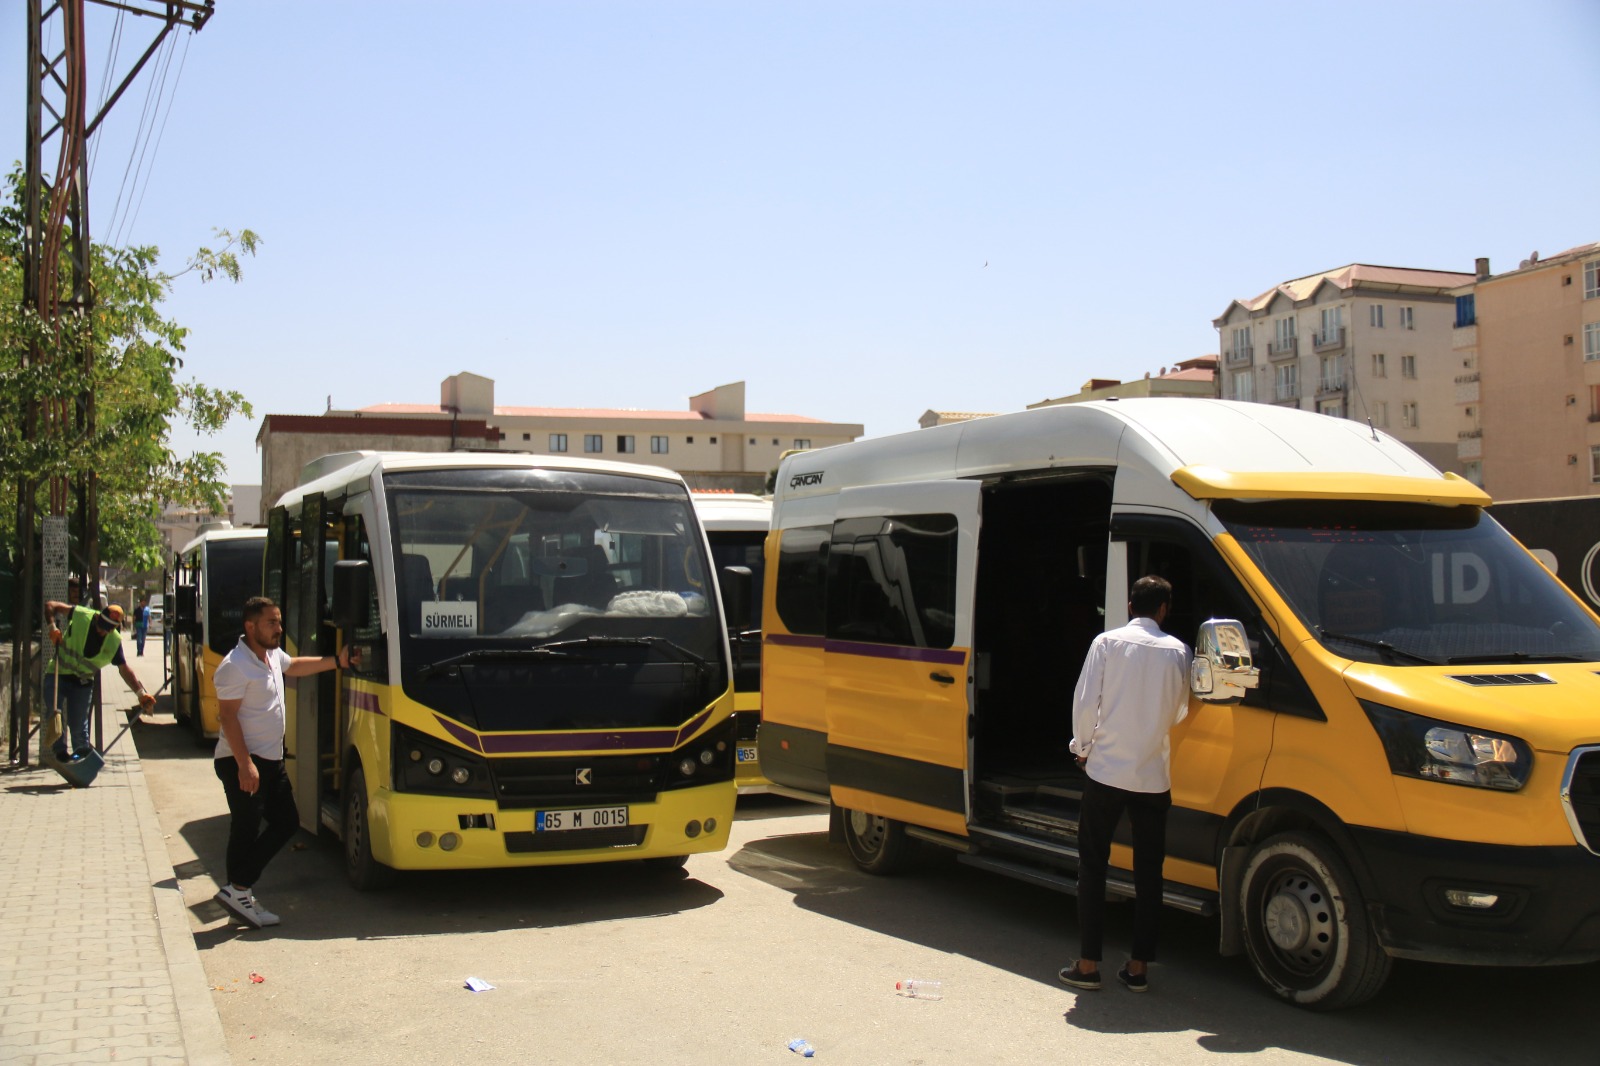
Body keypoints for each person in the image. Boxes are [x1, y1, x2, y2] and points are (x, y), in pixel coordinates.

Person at [1059, 575, 1190, 994]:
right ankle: (1137, 968)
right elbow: (1180, 711)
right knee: (1150, 872)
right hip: (1152, 775)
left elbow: (1085, 701)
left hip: (1106, 771)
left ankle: (1088, 964)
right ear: (1164, 609)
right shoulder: (1179, 652)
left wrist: (1082, 747)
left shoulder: (1106, 643)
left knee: (1093, 865)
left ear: (1131, 605)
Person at [212, 595, 357, 929]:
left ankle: (238, 888)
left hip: (270, 759)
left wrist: (337, 661)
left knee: (287, 822)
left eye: (279, 621)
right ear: (250, 626)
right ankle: (240, 889)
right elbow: (228, 718)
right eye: (271, 622)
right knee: (246, 826)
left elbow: (295, 666)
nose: (279, 628)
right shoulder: (235, 665)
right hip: (242, 760)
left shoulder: (271, 655)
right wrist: (245, 764)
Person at [44, 601, 157, 763]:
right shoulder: (81, 615)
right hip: (58, 674)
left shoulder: (114, 641)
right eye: (102, 625)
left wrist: (141, 693)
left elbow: (124, 669)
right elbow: (50, 605)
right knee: (55, 712)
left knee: (78, 724)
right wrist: (52, 628)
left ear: (116, 628)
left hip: (82, 683)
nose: (103, 631)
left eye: (109, 628)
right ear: (97, 617)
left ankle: (80, 758)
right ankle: (60, 753)